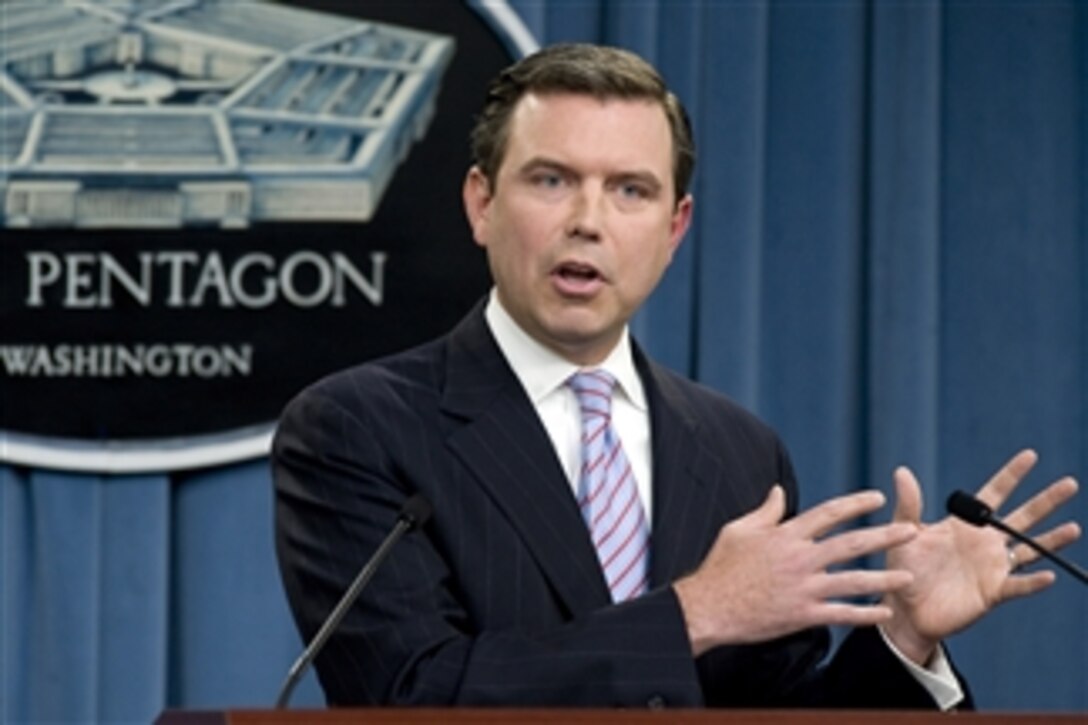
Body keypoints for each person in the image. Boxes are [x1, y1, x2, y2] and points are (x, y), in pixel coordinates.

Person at [272, 43, 1080, 709]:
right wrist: (694, 612)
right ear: (482, 204)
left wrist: (905, 638)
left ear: (674, 228)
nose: (588, 220)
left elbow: (778, 710)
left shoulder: (737, 449)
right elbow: (408, 694)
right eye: (551, 180)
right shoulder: (358, 427)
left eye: (631, 190)